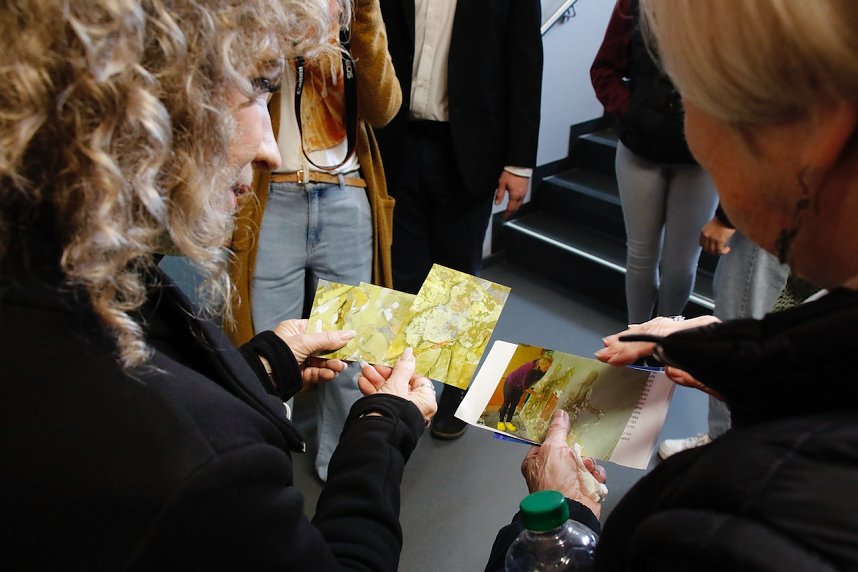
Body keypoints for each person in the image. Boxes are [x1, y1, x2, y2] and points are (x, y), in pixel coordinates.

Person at [0, 1, 436, 569]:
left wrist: (268, 363)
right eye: (258, 87)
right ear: (143, 99)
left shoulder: (59, 275)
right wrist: (383, 423)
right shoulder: (210, 466)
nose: (268, 149)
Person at [489, 0, 858, 568]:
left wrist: (565, 517)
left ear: (814, 132)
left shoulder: (724, 519)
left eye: (693, 96)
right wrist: (744, 362)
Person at [227, 0, 402, 482]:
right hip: (272, 193)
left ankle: (344, 465)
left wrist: (361, 15)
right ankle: (265, 465)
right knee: (267, 344)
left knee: (354, 346)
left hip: (347, 192)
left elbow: (384, 108)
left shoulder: (354, 13)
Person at [376, 0, 544, 439]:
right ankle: (408, 387)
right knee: (403, 275)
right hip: (397, 142)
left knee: (458, 284)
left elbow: (525, 68)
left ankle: (452, 395)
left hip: (469, 149)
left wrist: (520, 162)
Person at [591, 0, 718, 325]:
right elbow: (604, 70)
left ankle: (662, 347)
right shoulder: (636, 4)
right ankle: (636, 340)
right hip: (640, 149)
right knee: (640, 257)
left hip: (700, 159)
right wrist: (634, 113)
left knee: (681, 265)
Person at [659, 206, 788, 459]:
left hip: (766, 216)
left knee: (739, 320)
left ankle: (723, 440)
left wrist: (726, 218)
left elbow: (771, 166)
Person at [497, 353, 553, 432]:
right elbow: (526, 386)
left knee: (514, 405)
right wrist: (536, 394)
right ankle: (500, 421)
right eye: (547, 366)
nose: (548, 368)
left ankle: (508, 422)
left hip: (520, 387)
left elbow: (532, 381)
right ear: (541, 364)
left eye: (549, 366)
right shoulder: (530, 369)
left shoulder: (543, 370)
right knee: (506, 403)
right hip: (511, 384)